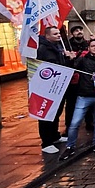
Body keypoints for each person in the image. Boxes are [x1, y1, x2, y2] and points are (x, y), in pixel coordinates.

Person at [60, 39, 95, 160]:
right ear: (88, 48)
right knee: (75, 122)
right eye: (92, 46)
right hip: (84, 95)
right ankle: (70, 146)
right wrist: (70, 59)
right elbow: (71, 68)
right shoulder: (83, 60)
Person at [36, 26, 76, 154]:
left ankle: (54, 135)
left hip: (58, 86)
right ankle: (46, 142)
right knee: (46, 114)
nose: (59, 35)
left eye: (59, 33)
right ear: (47, 36)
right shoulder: (43, 49)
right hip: (48, 87)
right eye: (55, 34)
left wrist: (69, 59)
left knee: (56, 112)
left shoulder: (59, 47)